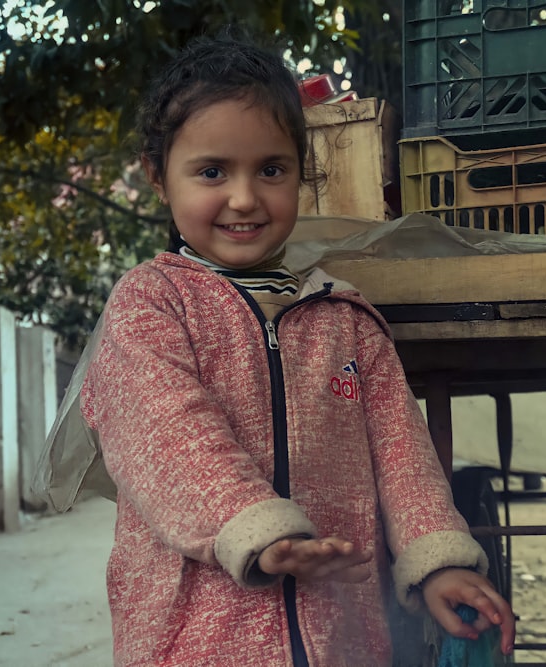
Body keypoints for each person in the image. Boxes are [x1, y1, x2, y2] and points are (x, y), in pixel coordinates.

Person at [80, 31, 515, 666]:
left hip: (345, 635)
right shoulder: (151, 302)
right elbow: (165, 432)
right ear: (158, 176)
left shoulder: (347, 317)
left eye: (272, 169)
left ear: (301, 171)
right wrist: (257, 529)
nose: (244, 198)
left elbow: (401, 452)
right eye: (211, 172)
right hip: (195, 639)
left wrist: (436, 561)